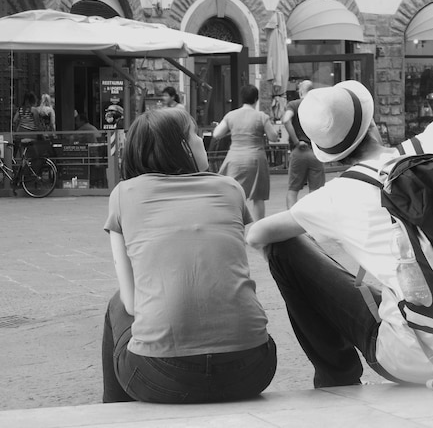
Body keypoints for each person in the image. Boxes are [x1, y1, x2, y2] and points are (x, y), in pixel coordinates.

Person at [247, 14, 433, 388]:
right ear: (371, 124)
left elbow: (258, 236)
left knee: (285, 251)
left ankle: (335, 376)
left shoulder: (333, 196)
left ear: (330, 155)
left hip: (415, 360)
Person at [102, 107, 276, 403]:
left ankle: (113, 410)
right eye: (195, 134)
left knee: (117, 302)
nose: (203, 139)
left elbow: (132, 303)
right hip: (252, 369)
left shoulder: (122, 194)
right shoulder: (230, 188)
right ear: (180, 145)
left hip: (158, 377)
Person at [213, 84, 279, 221]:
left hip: (234, 158)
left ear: (242, 98)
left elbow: (217, 134)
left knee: (233, 193)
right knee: (258, 197)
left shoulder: (231, 115)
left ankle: (233, 222)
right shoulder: (261, 116)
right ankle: (258, 228)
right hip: (256, 159)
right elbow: (273, 137)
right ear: (256, 99)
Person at [283, 80, 325, 208]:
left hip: (299, 152)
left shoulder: (293, 105)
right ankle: (313, 222)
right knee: (316, 192)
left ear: (301, 91)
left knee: (293, 190)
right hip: (315, 152)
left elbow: (286, 120)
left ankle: (291, 221)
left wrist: (296, 141)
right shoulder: (320, 106)